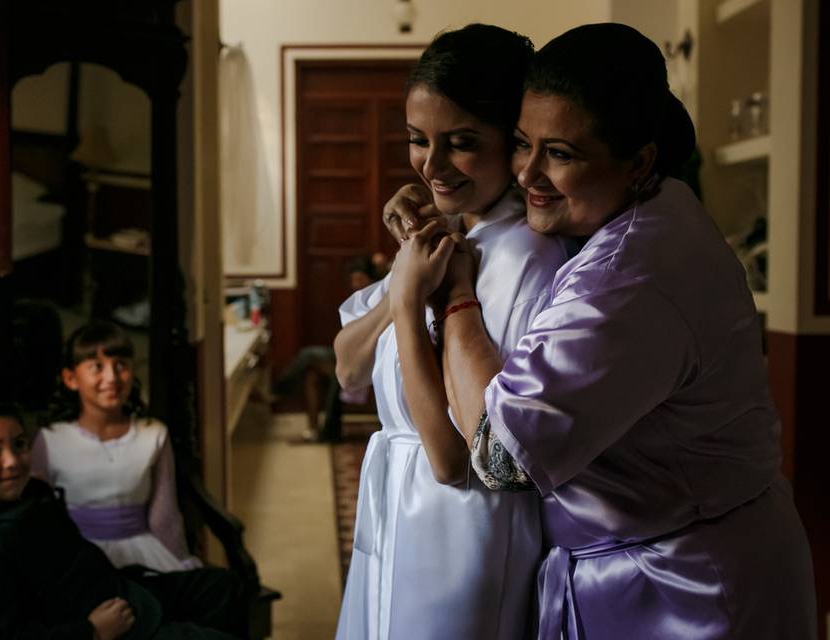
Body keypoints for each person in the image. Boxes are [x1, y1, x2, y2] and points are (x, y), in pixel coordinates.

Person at [384, 23, 817, 640]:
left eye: (559, 154)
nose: (528, 174)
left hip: (688, 586)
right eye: (520, 143)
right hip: (650, 560)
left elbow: (498, 454)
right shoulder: (651, 211)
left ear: (638, 160)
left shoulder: (627, 277)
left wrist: (455, 296)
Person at [333, 24, 570, 639]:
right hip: (390, 506)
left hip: (464, 531)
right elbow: (347, 368)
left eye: (461, 143)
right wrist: (405, 277)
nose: (432, 165)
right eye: (417, 141)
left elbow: (453, 459)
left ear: (515, 142)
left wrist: (409, 301)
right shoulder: (443, 239)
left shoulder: (528, 263)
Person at [0, 400, 244, 639]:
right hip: (98, 625)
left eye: (19, 444)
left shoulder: (33, 497)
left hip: (116, 590)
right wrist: (91, 630)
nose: (12, 461)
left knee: (221, 586)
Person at [31, 320, 199, 573]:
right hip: (77, 556)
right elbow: (39, 517)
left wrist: (182, 561)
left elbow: (165, 515)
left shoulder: (153, 434)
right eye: (97, 367)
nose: (111, 378)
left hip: (144, 552)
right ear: (71, 378)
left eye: (121, 366)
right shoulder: (51, 440)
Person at [272, 255, 379, 443]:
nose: (355, 284)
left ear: (369, 279)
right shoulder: (359, 299)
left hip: (368, 358)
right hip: (350, 355)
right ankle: (320, 430)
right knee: (312, 373)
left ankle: (278, 391)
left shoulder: (377, 299)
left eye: (359, 279)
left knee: (309, 355)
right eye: (353, 280)